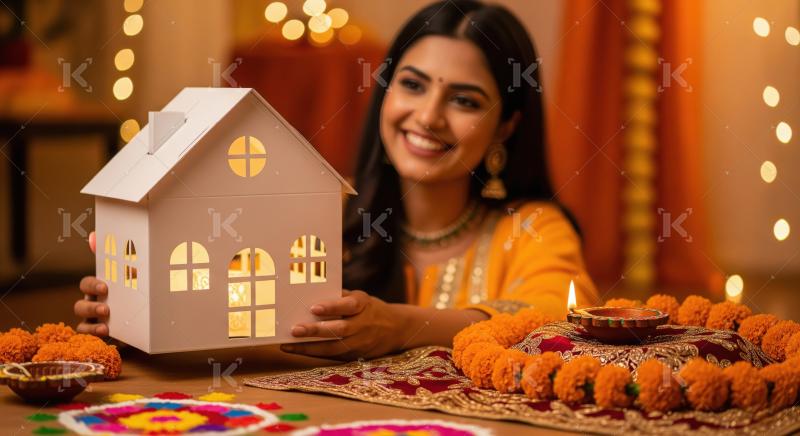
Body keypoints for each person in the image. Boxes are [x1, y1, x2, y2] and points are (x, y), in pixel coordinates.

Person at [74, 0, 600, 360]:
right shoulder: (323, 211)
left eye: (464, 100)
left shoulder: (530, 228)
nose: (428, 116)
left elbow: (562, 318)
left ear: (506, 125)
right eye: (412, 85)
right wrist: (136, 308)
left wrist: (399, 327)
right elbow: (230, 296)